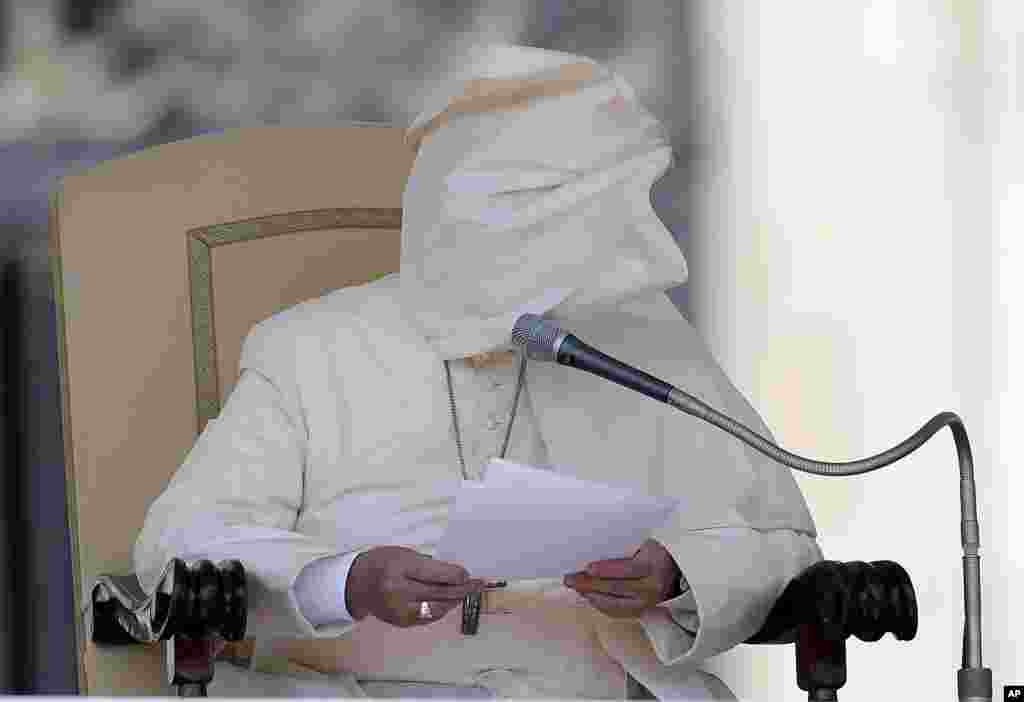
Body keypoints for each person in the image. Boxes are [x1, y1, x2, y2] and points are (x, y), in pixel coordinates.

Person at [134, 44, 822, 699]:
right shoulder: (308, 349)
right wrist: (347, 581)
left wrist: (675, 574)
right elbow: (181, 543)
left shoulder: (641, 347)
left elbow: (780, 545)